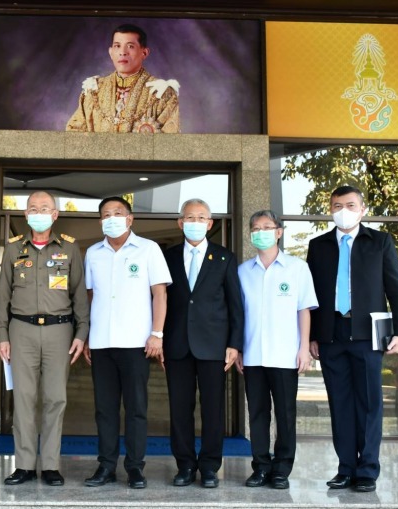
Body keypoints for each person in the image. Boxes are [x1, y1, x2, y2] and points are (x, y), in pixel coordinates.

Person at [307, 185, 398, 493]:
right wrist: (312, 335)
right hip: (331, 335)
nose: (343, 211)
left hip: (367, 335)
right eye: (337, 205)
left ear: (362, 209)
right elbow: (310, 296)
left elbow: (395, 290)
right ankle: (345, 468)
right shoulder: (318, 245)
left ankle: (367, 469)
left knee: (369, 404)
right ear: (330, 209)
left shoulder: (379, 242)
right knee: (340, 404)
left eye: (350, 205)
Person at [0, 191, 89, 487]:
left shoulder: (70, 249)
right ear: (25, 214)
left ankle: (50, 465)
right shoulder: (12, 249)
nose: (38, 212)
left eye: (44, 208)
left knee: (55, 399)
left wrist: (81, 333)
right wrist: (1, 334)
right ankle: (23, 465)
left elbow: (79, 294)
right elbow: (3, 297)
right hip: (20, 330)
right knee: (22, 400)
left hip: (59, 331)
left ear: (55, 214)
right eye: (33, 208)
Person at [83, 196, 171, 489]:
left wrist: (157, 334)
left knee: (136, 408)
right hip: (101, 343)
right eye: (106, 214)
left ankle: (135, 467)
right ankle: (106, 466)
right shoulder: (93, 253)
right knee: (105, 409)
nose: (112, 218)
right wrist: (85, 337)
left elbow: (160, 294)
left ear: (130, 218)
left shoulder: (148, 249)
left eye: (118, 213)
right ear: (100, 221)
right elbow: (90, 297)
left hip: (136, 343)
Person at [161, 198, 243, 489]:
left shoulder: (224, 258)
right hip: (176, 345)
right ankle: (184, 465)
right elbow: (158, 302)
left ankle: (209, 466)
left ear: (210, 224)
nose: (195, 222)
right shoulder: (166, 257)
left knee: (213, 409)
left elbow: (236, 305)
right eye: (190, 217)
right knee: (180, 408)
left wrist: (234, 343)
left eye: (201, 218)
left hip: (214, 346)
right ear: (180, 222)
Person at [236, 210, 318, 490]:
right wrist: (238, 350)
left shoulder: (297, 268)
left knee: (285, 413)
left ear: (279, 232)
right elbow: (239, 315)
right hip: (253, 355)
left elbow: (303, 310)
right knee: (257, 413)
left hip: (285, 355)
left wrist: (303, 347)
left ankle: (282, 468)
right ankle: (260, 466)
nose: (260, 232)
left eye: (266, 227)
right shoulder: (243, 271)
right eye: (255, 228)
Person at [66, 24, 180, 133]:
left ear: (144, 53)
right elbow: (74, 133)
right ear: (111, 52)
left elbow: (169, 144)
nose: (122, 52)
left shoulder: (161, 93)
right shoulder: (93, 90)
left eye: (130, 46)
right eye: (117, 46)